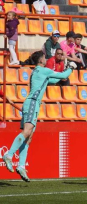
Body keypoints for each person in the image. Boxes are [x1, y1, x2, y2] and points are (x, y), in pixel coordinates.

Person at [2, 51, 76, 181]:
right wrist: (71, 67)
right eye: (44, 57)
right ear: (40, 60)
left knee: (28, 137)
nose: (46, 58)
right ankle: (9, 155)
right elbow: (63, 75)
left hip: (32, 104)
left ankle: (21, 166)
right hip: (32, 103)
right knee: (27, 132)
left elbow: (53, 80)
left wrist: (63, 75)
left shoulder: (38, 72)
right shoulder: (43, 70)